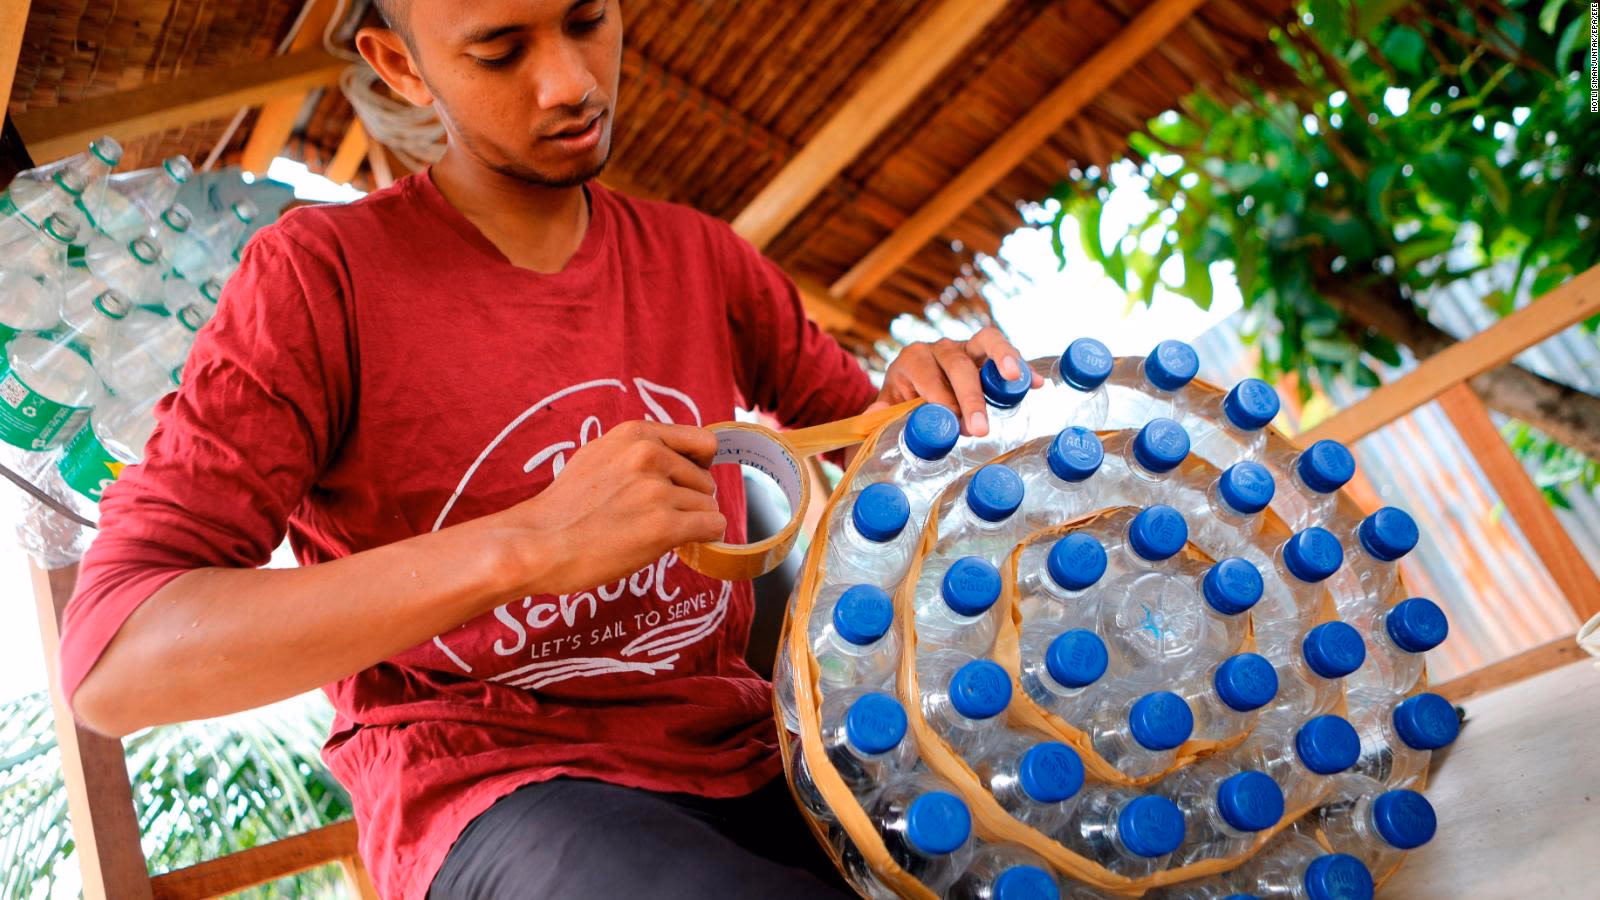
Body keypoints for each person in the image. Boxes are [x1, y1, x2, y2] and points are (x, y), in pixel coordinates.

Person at [56, 1, 1042, 898]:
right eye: (500, 48)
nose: (571, 81)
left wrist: (919, 396)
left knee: (1016, 847)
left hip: (751, 745)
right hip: (489, 784)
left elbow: (873, 449)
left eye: (587, 20)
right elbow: (118, 661)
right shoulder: (318, 280)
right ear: (400, 65)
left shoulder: (701, 258)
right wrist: (529, 544)